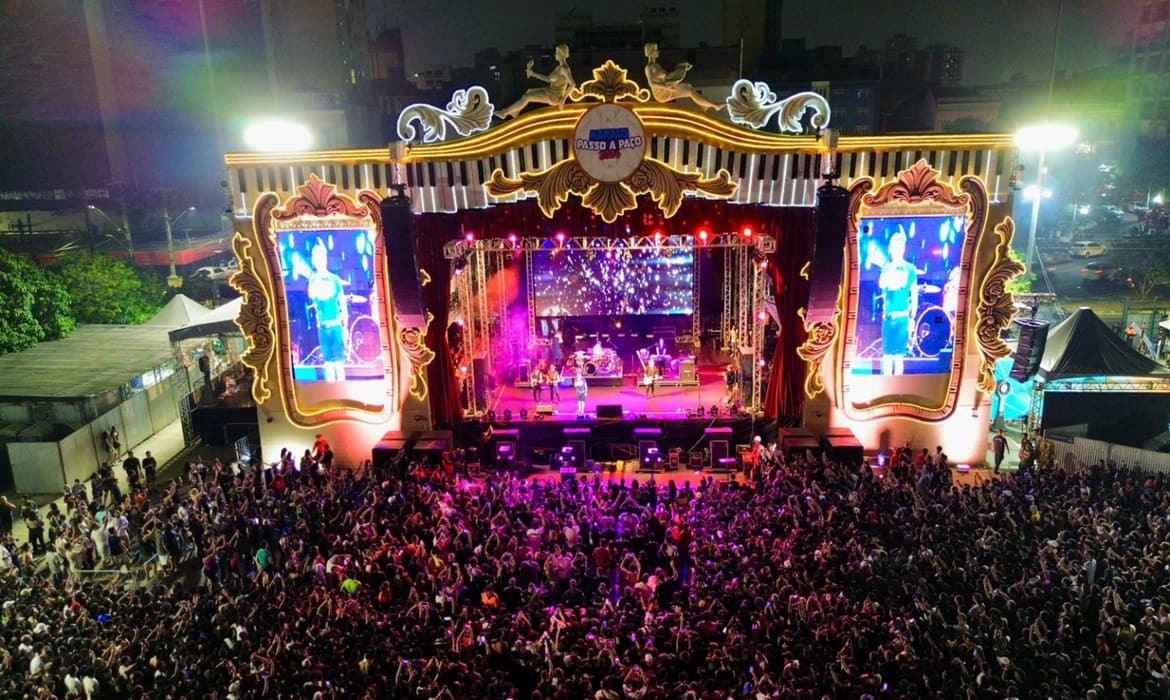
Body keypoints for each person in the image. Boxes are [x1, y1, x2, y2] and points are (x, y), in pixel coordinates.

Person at [307, 238, 349, 382]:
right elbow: (312, 294)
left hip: (336, 326)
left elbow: (342, 302)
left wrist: (345, 325)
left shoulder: (335, 279)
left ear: (325, 258)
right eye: (315, 256)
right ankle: (331, 390)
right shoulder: (313, 280)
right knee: (328, 364)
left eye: (320, 256)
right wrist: (316, 278)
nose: (318, 260)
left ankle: (342, 390)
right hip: (323, 328)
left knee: (339, 364)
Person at [498, 44, 576, 119]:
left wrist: (563, 99)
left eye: (557, 52)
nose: (555, 54)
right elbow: (548, 79)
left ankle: (504, 113)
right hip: (549, 90)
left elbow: (573, 84)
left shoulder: (564, 69)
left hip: (554, 96)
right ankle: (515, 111)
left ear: (562, 54)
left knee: (527, 97)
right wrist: (532, 73)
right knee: (529, 91)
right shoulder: (558, 68)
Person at [878, 230, 918, 375]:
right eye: (894, 246)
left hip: (902, 318)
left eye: (899, 246)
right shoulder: (887, 267)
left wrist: (912, 317)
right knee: (887, 357)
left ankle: (898, 385)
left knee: (899, 358)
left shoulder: (910, 269)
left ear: (903, 248)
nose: (896, 249)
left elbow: (914, 293)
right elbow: (882, 284)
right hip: (888, 318)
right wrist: (891, 270)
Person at [644, 43, 723, 111]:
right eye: (655, 50)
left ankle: (706, 104)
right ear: (650, 52)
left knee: (689, 87)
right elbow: (651, 83)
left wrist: (683, 69)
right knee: (689, 91)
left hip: (667, 88)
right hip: (661, 93)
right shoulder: (648, 67)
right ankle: (713, 105)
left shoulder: (657, 65)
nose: (657, 52)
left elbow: (667, 77)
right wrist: (666, 87)